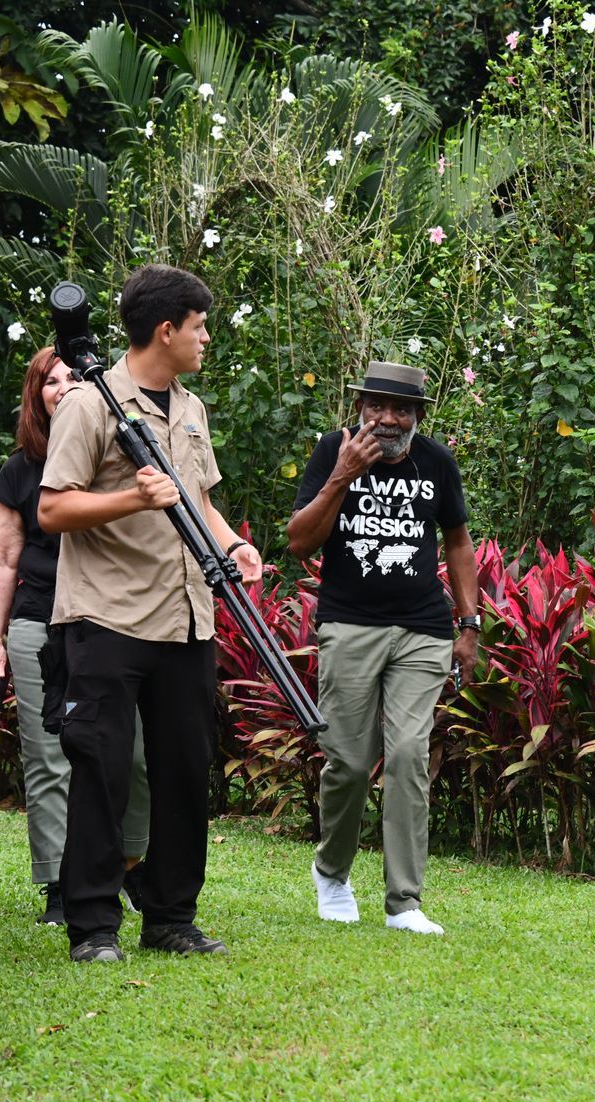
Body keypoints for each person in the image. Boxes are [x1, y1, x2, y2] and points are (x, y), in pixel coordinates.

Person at [38, 264, 264, 963]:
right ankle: (94, 926)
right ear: (166, 330)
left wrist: (236, 545)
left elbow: (199, 500)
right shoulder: (89, 405)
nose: (206, 339)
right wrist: (132, 500)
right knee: (103, 773)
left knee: (184, 770)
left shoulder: (190, 409)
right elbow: (53, 508)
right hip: (107, 616)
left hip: (186, 617)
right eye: (199, 327)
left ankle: (171, 917)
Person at [286, 361, 478, 936]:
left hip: (422, 628)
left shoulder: (437, 463)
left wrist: (469, 624)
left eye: (401, 409)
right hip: (350, 624)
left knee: (407, 756)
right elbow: (299, 542)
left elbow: (458, 543)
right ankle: (332, 872)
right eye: (377, 406)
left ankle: (404, 901)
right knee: (346, 761)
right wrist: (342, 474)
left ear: (418, 415)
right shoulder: (332, 451)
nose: (388, 419)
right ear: (361, 407)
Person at [0, 348, 150, 924]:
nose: (63, 388)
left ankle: (131, 869)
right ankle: (58, 882)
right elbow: (5, 559)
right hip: (37, 621)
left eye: (74, 379)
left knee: (128, 752)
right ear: (36, 396)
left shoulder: (119, 458)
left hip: (107, 621)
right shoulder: (19, 470)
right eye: (50, 382)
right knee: (50, 753)